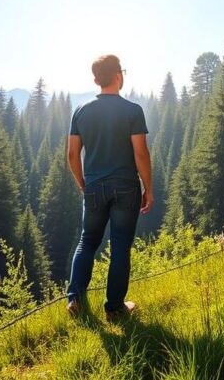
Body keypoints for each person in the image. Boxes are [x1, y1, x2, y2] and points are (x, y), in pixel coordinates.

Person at [65, 54, 153, 320]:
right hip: (126, 187)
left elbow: (71, 154)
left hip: (93, 187)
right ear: (118, 76)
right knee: (120, 246)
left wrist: (83, 183)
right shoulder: (132, 111)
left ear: (96, 79)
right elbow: (140, 154)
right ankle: (115, 308)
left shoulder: (81, 111)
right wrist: (149, 187)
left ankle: (75, 300)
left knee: (87, 242)